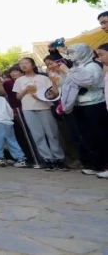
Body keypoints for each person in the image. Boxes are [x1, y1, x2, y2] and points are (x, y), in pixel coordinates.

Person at [58, 43, 108, 177]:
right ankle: (95, 165)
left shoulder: (93, 66)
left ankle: (104, 164)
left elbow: (88, 81)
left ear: (83, 52)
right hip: (79, 105)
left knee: (99, 136)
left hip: (94, 104)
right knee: (87, 137)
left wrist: (68, 72)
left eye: (74, 52)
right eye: (70, 53)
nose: (71, 55)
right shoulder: (76, 67)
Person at [13, 57, 65, 171]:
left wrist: (45, 92)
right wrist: (26, 89)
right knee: (38, 135)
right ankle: (48, 159)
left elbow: (53, 93)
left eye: (26, 63)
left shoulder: (43, 78)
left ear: (33, 65)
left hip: (44, 107)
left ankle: (59, 158)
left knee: (52, 133)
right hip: (28, 108)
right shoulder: (19, 80)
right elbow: (18, 97)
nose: (23, 65)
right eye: (21, 64)